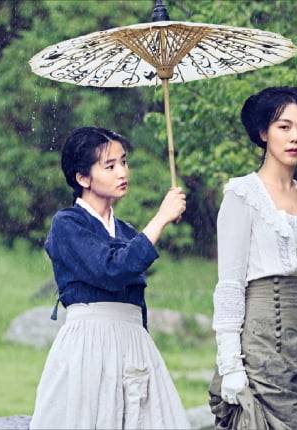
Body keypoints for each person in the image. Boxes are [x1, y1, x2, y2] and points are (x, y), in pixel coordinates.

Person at [30, 126, 190, 429]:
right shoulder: (67, 224)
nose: (122, 172)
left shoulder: (128, 232)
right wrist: (160, 219)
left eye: (124, 162)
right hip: (89, 345)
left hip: (134, 345)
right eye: (110, 166)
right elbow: (111, 270)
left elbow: (136, 299)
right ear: (83, 178)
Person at [209, 87, 297, 429]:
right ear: (263, 133)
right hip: (261, 346)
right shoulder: (243, 195)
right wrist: (231, 365)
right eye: (284, 127)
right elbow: (230, 285)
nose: (294, 137)